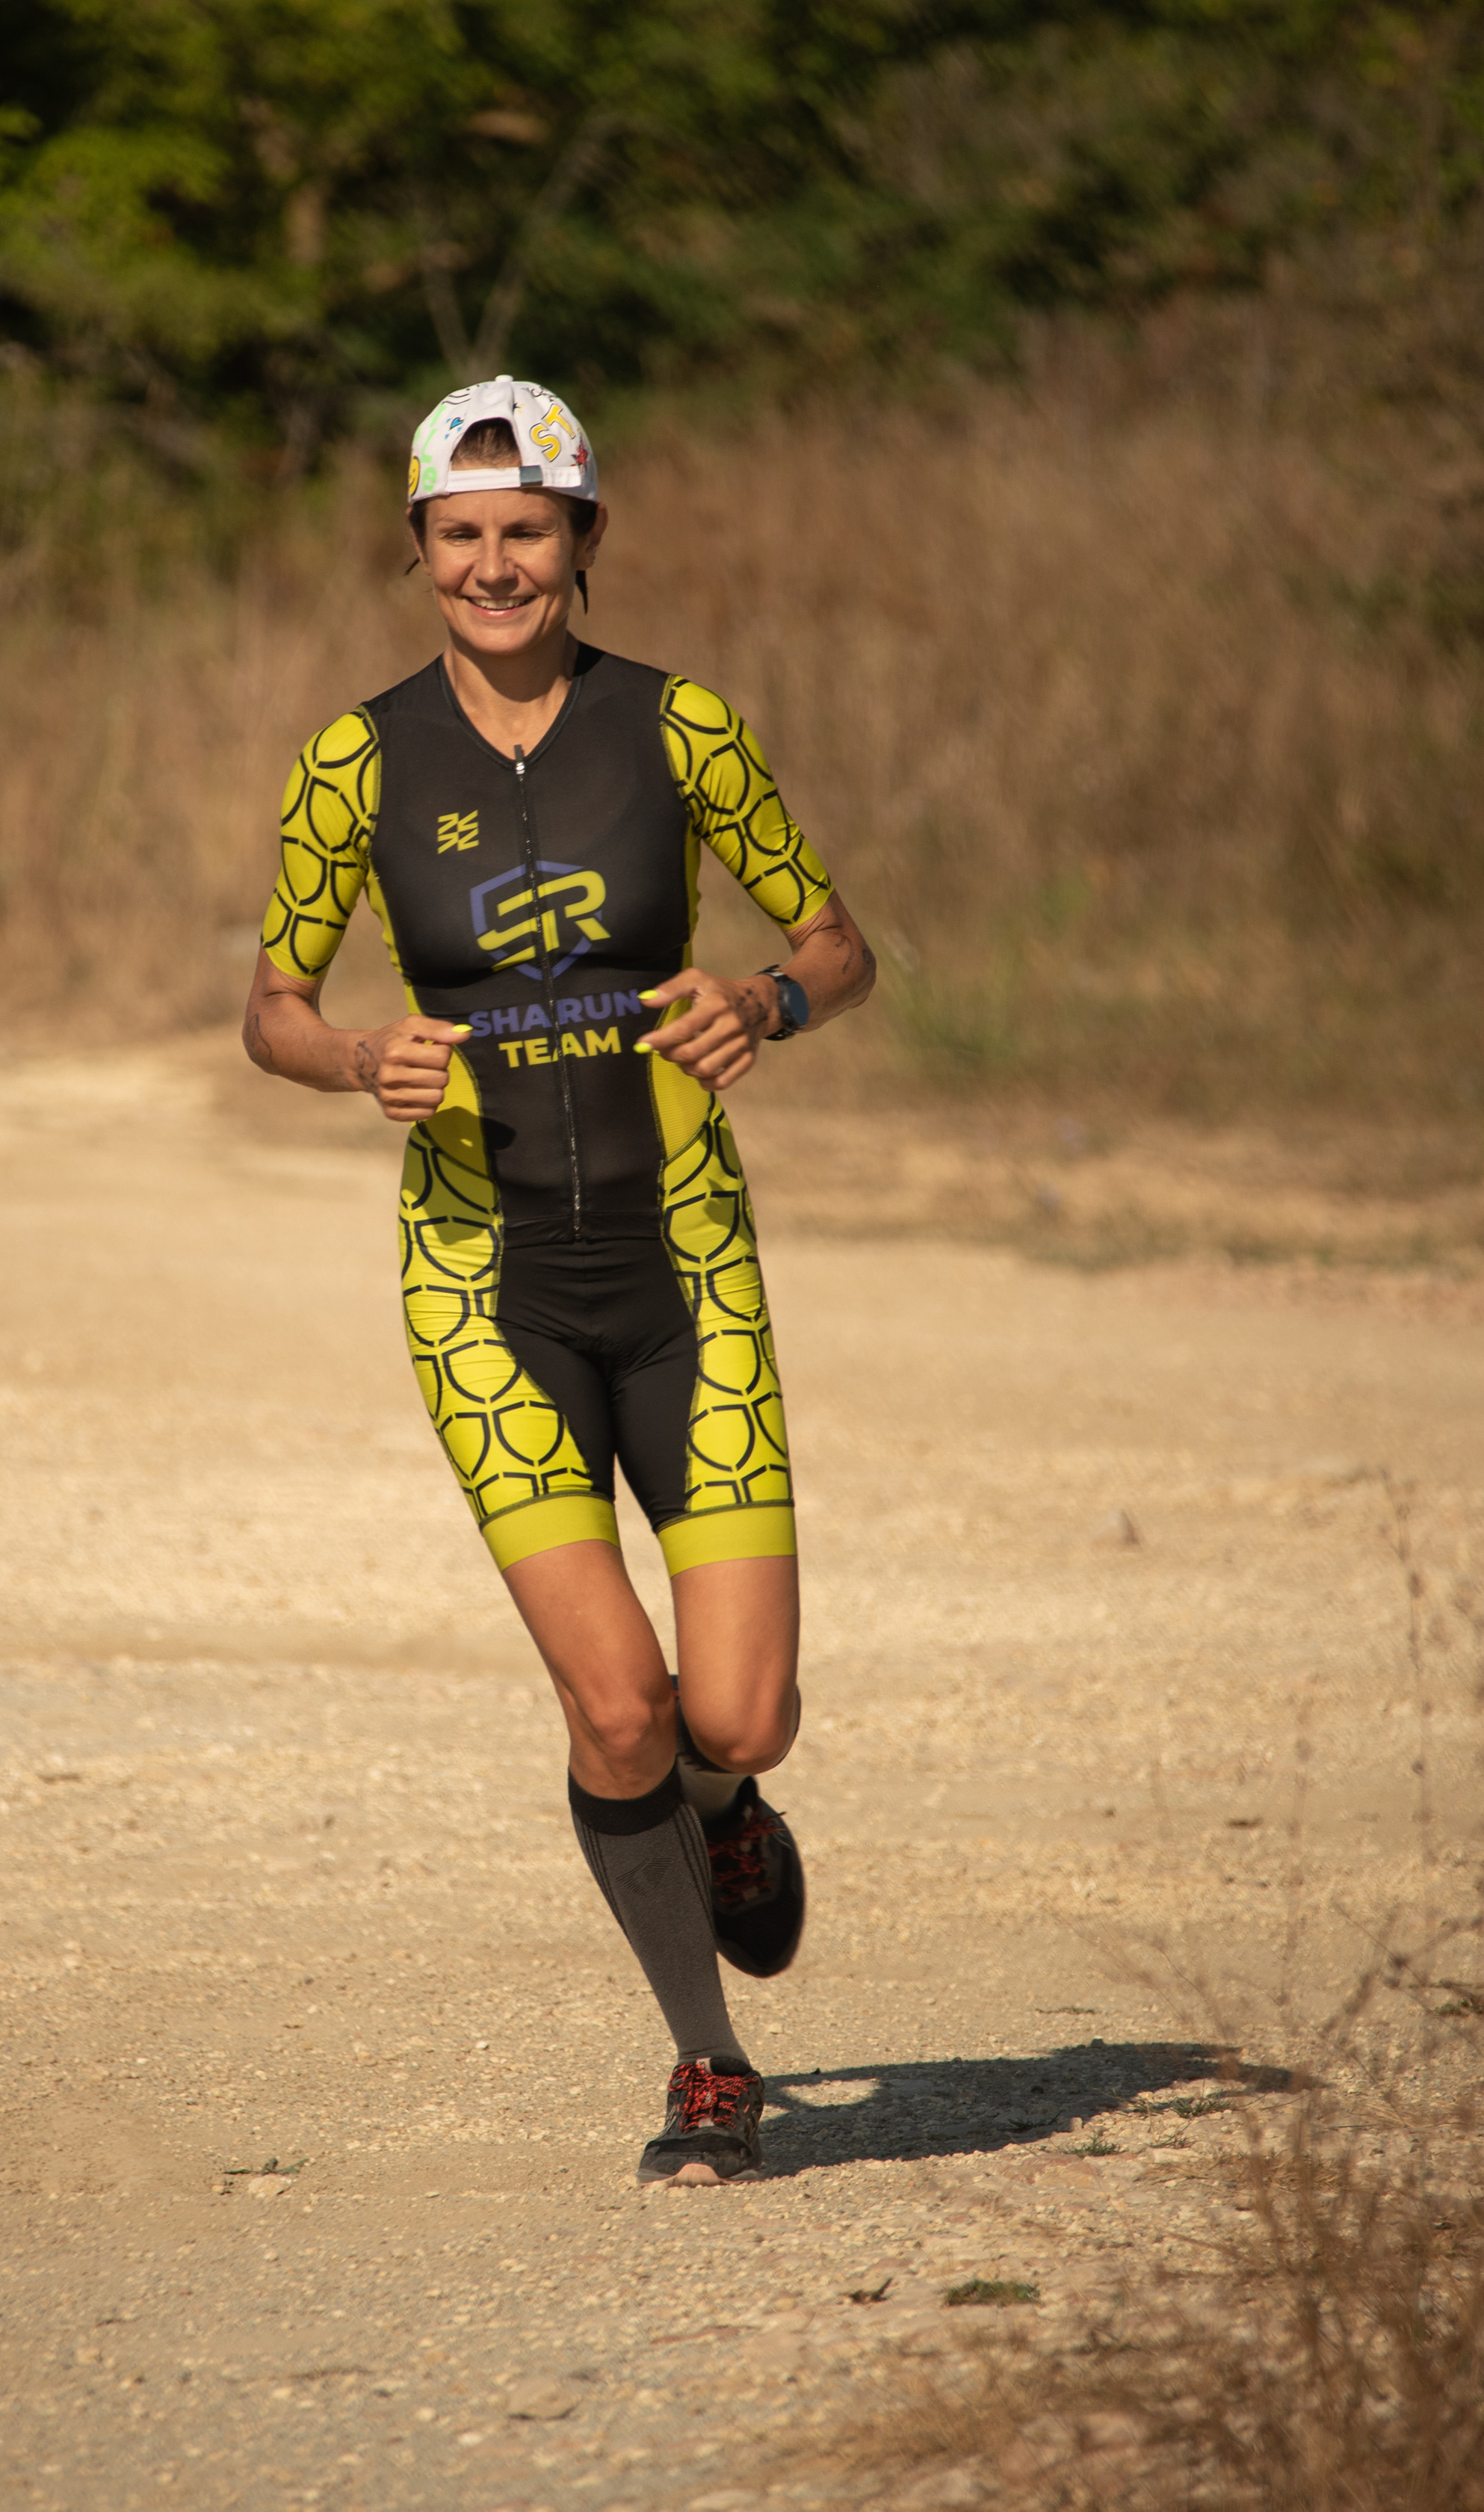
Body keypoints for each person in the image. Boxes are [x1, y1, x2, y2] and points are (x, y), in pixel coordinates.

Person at [244, 375, 876, 2184]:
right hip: (477, 1271)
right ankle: (706, 2057)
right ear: (421, 551)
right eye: (459, 534)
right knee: (614, 1701)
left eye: (528, 531)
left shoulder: (678, 729)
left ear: (583, 541)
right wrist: (349, 1056)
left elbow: (839, 940)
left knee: (730, 1710)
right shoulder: (354, 762)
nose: (494, 565)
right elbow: (268, 1005)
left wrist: (761, 998)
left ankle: (726, 1800)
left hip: (685, 1254)